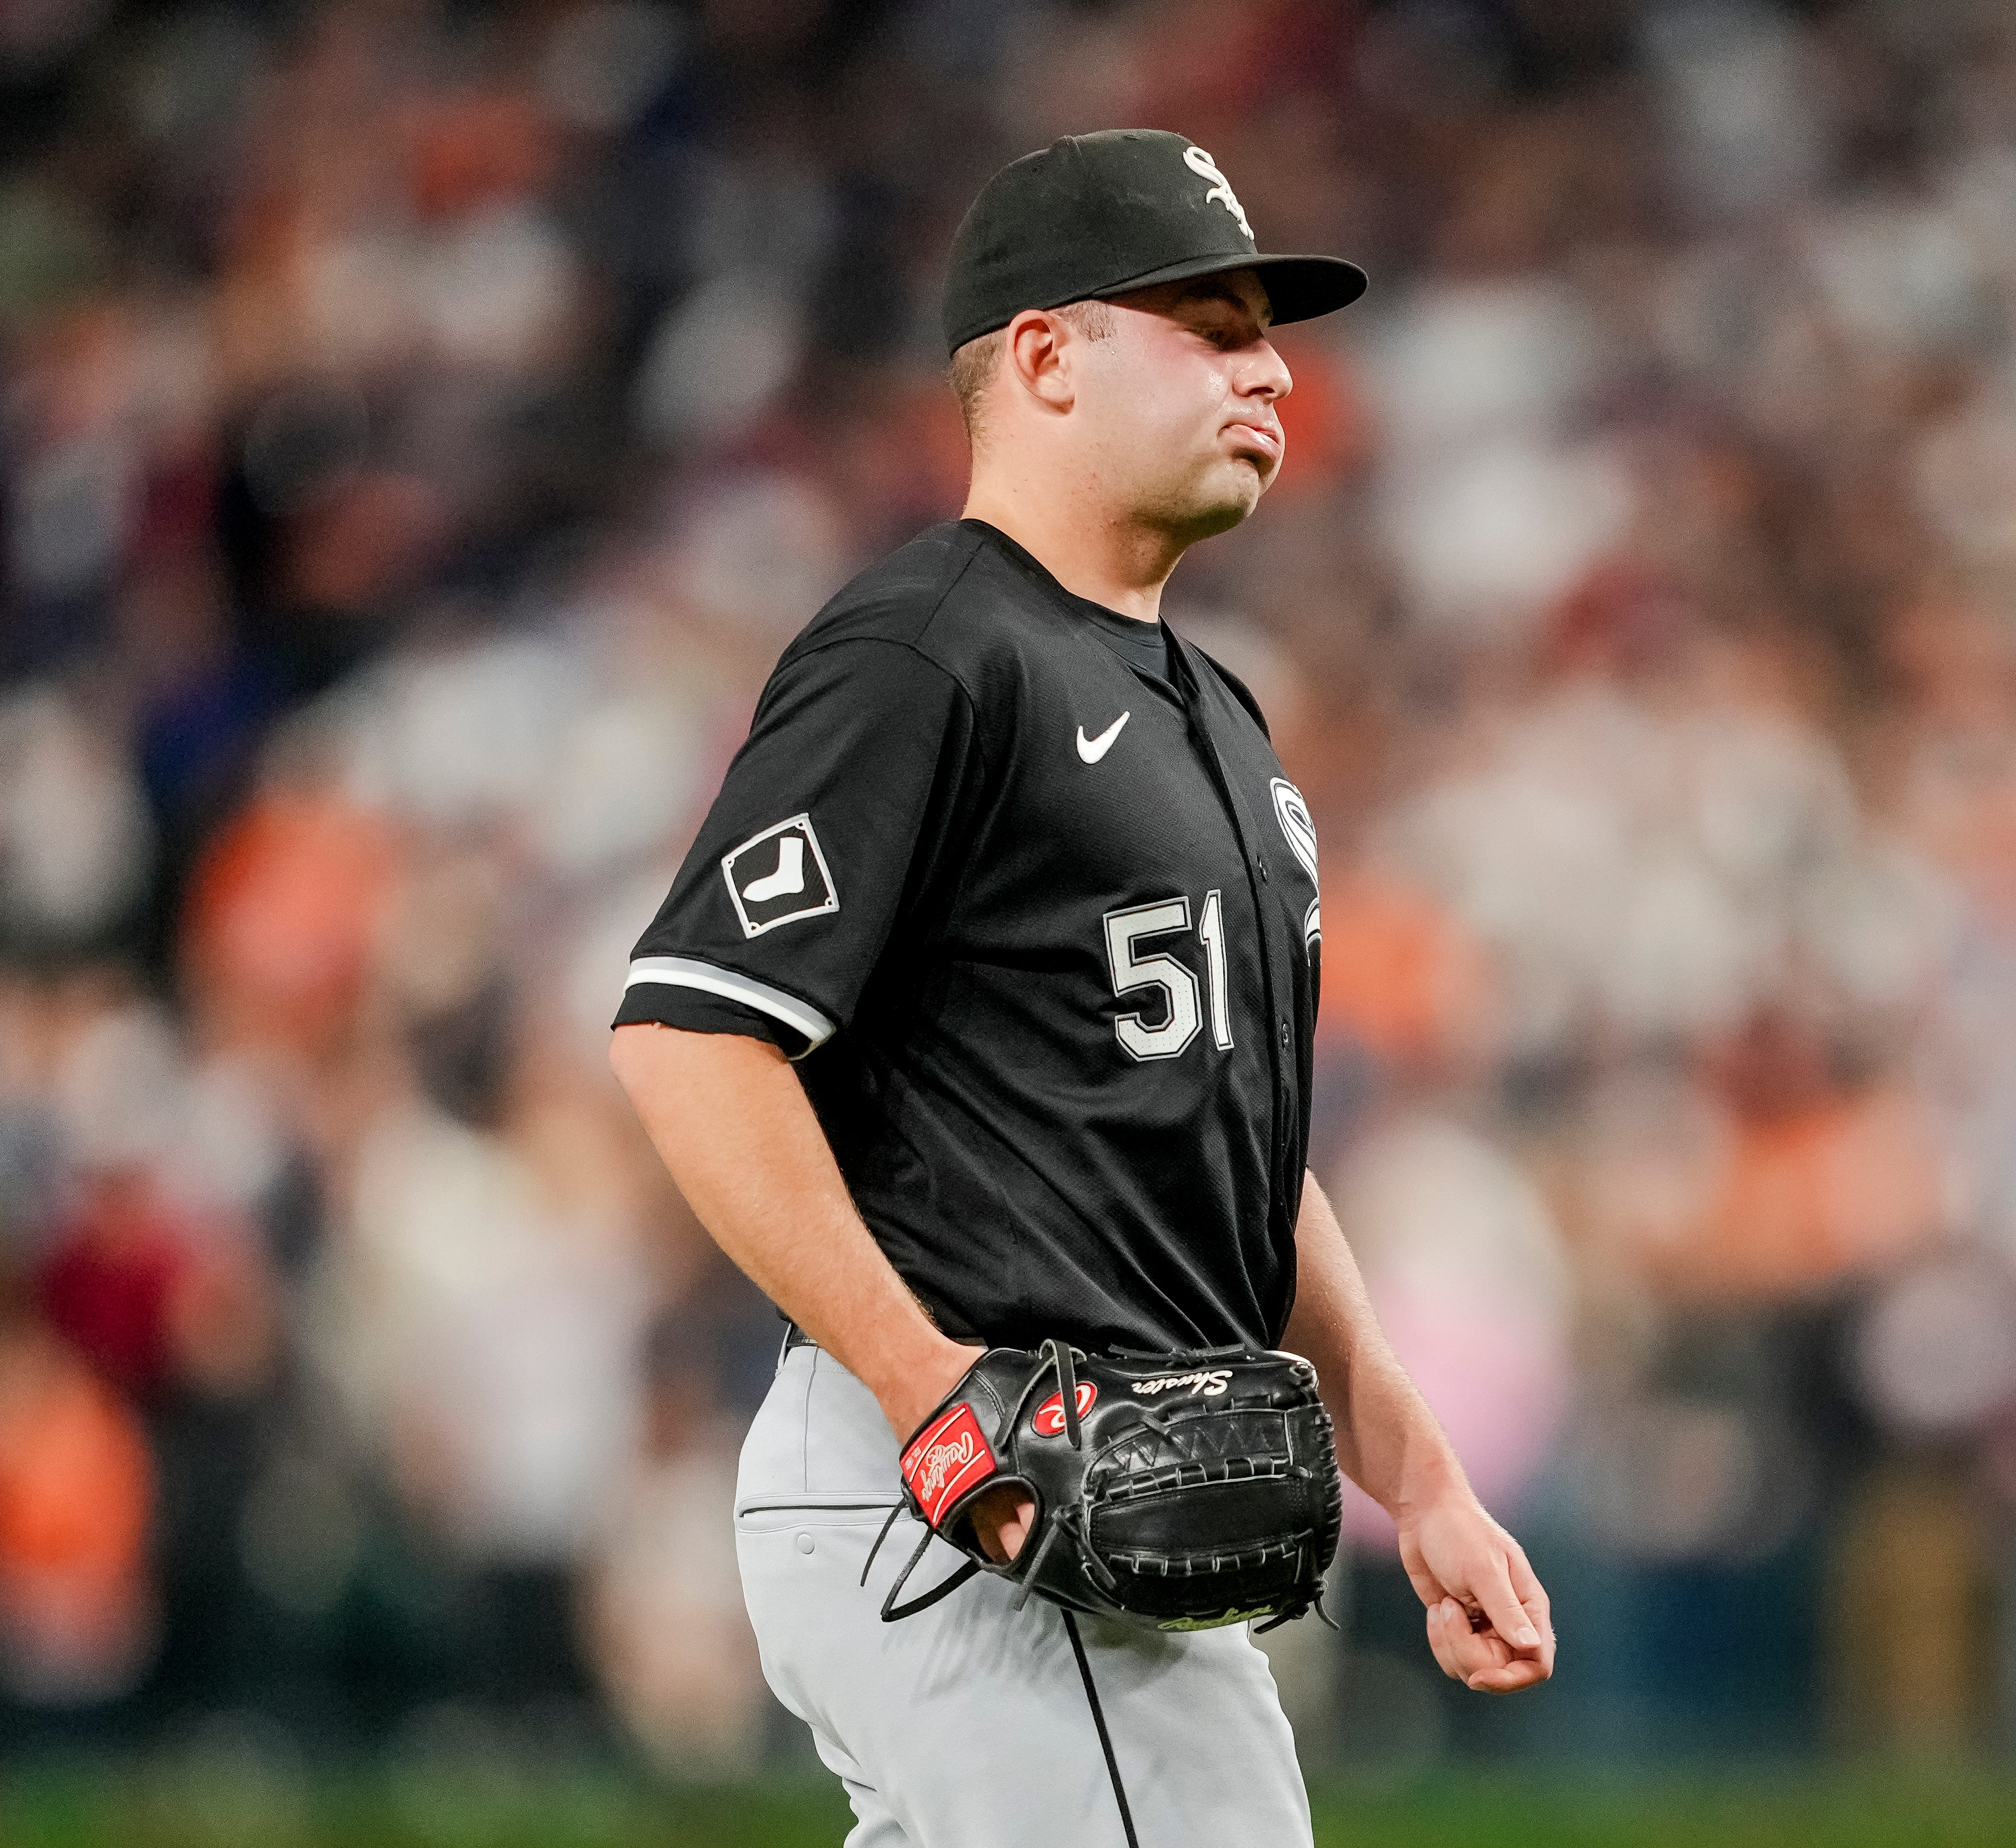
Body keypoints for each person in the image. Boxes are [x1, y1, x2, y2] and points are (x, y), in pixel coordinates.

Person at [608, 129, 1555, 1847]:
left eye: (1269, 332)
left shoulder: (1225, 719)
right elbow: (693, 1033)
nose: (1268, 367)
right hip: (975, 1496)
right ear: (1044, 355)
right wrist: (930, 1396)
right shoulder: (928, 649)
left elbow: (1241, 1164)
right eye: (1206, 321)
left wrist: (1418, 1477)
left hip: (1113, 1492)